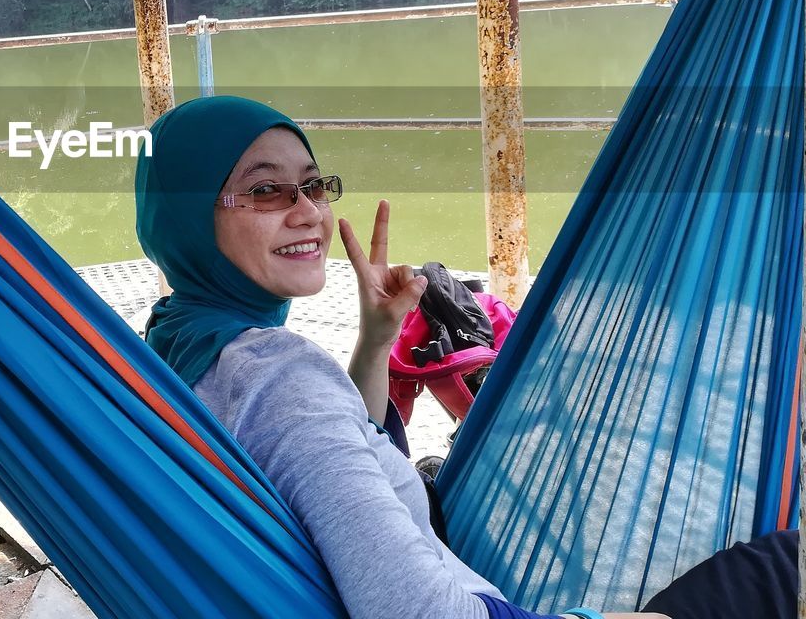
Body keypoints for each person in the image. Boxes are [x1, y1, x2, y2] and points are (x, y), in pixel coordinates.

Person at [134, 95, 795, 619]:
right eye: (266, 190)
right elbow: (418, 611)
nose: (308, 212)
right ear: (190, 213)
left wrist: (375, 340)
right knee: (781, 567)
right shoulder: (279, 378)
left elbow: (335, 450)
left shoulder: (172, 343)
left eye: (314, 184)